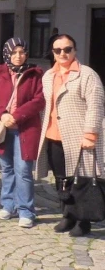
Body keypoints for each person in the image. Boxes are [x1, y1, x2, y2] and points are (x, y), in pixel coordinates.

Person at [35, 34, 105, 237]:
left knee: (81, 178)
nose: (63, 53)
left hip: (79, 137)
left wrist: (90, 134)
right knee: (61, 178)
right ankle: (68, 214)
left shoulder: (87, 74)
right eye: (58, 50)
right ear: (53, 53)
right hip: (54, 135)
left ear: (74, 51)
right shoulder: (48, 76)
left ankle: (84, 220)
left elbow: (96, 105)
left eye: (67, 49)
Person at [0, 38, 45, 228]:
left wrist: (17, 116)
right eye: (14, 53)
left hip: (25, 128)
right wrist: (2, 114)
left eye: (22, 52)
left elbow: (39, 100)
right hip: (4, 128)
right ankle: (8, 204)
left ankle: (26, 210)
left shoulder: (35, 74)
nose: (18, 56)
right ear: (7, 54)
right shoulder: (0, 72)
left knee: (23, 170)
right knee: (7, 169)